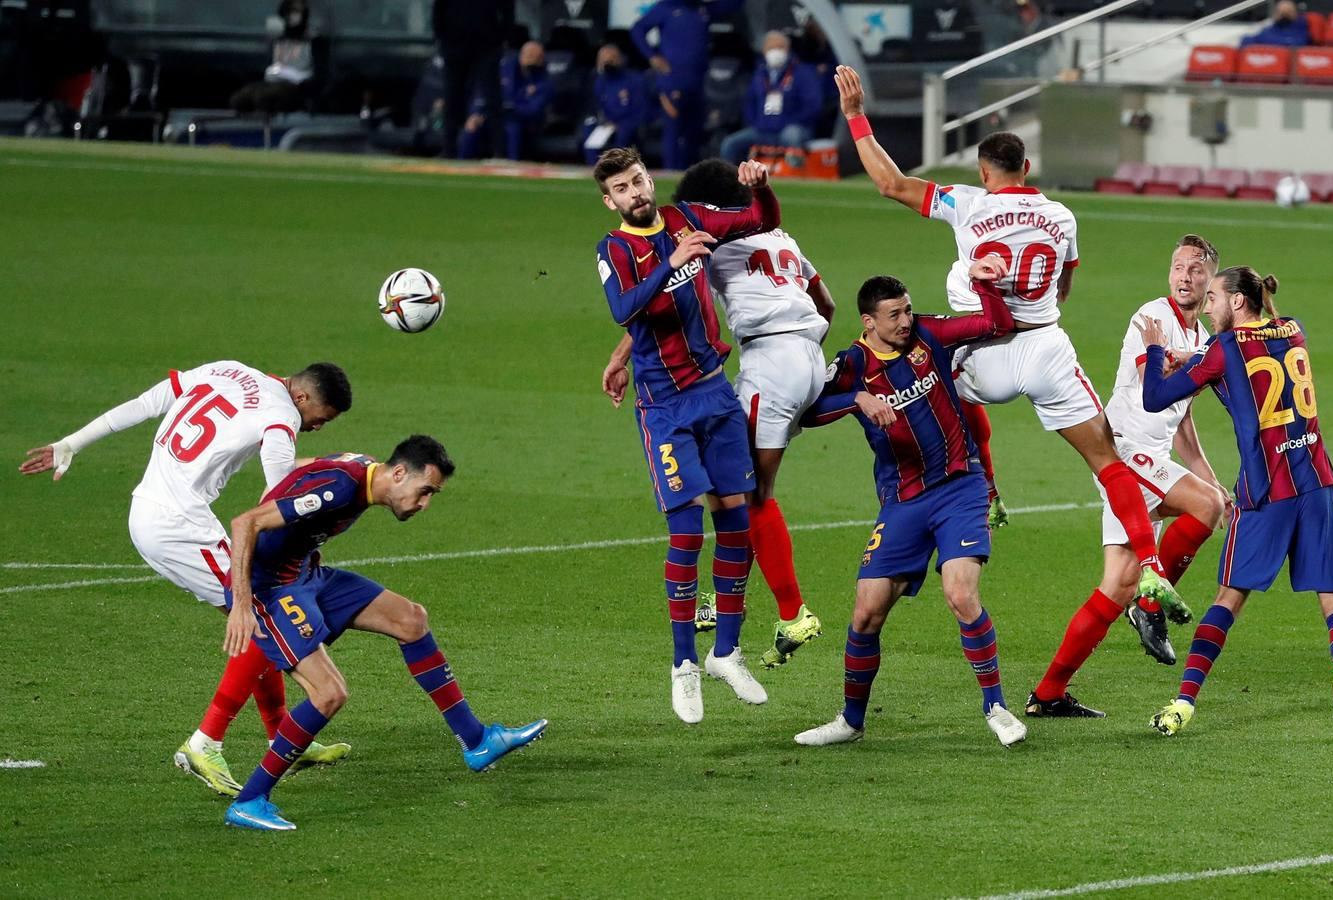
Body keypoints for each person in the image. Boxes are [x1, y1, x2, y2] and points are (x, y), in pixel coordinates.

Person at [831, 65, 1190, 623]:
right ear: (1028, 168)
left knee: (943, 386)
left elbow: (891, 183)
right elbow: (1066, 282)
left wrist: (856, 117)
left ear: (984, 171)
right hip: (1044, 347)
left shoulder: (968, 203)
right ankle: (1150, 567)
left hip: (983, 350)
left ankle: (988, 491)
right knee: (1106, 461)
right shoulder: (1061, 215)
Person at [18, 361, 354, 797]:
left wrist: (71, 442)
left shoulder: (228, 370)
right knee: (265, 616)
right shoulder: (282, 416)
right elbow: (278, 496)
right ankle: (205, 743)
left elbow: (144, 404)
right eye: (320, 419)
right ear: (304, 399)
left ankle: (283, 739)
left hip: (151, 510)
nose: (316, 426)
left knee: (261, 621)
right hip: (180, 527)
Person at [221, 438, 548, 830]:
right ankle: (250, 799)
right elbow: (246, 522)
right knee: (329, 693)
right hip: (269, 590)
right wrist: (241, 604)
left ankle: (477, 741)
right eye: (425, 491)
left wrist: (281, 494)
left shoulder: (359, 466)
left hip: (306, 574)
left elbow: (294, 465)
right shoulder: (340, 488)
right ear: (397, 474)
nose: (425, 503)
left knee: (411, 620)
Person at [602, 158, 835, 669]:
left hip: (769, 363)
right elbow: (827, 303)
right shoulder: (784, 240)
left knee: (746, 497)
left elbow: (669, 297)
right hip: (811, 353)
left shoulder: (709, 238)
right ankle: (729, 599)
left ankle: (791, 611)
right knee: (739, 491)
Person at [793, 274, 1029, 749]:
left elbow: (998, 322)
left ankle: (997, 707)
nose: (905, 320)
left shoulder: (927, 334)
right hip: (903, 500)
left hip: (961, 485)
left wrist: (985, 285)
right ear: (868, 322)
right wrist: (856, 398)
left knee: (961, 594)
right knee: (866, 612)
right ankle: (851, 721)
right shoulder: (853, 364)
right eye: (894, 315)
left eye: (907, 310)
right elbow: (807, 410)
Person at [1141, 268, 1333, 744]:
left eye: (1213, 299)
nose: (1206, 307)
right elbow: (1251, 354)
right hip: (1316, 482)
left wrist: (1156, 351)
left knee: (1229, 598)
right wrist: (1198, 357)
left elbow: (1155, 397)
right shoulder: (1294, 328)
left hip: (1266, 493)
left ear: (1238, 303)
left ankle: (1183, 705)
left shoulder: (1223, 351)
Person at [592, 146, 779, 724]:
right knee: (686, 531)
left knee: (736, 520)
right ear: (611, 200)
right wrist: (670, 264)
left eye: (641, 180)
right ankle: (683, 664)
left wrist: (761, 187)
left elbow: (761, 221)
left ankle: (726, 651)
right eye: (624, 188)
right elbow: (625, 307)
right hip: (665, 407)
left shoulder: (688, 219)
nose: (637, 192)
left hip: (715, 394)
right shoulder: (615, 249)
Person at [1025, 235, 1230, 719]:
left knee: (1117, 581)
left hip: (1153, 458)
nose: (1184, 276)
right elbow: (1155, 385)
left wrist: (1209, 474)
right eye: (1178, 267)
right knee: (1206, 507)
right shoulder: (1152, 318)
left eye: (1195, 270)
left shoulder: (1200, 340)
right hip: (1124, 452)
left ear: (1209, 281)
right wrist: (1208, 491)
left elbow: (1179, 418)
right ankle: (1150, 607)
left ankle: (1049, 693)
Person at [630, 0, 745, 170]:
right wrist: (652, 56)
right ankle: (670, 173)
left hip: (698, 82)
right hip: (672, 80)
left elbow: (734, 4)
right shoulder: (666, 7)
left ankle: (689, 173)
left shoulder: (703, 8)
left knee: (694, 130)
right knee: (673, 130)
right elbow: (637, 29)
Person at [718, 31, 822, 168]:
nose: (776, 52)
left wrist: (790, 121)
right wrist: (756, 122)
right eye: (771, 48)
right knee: (730, 143)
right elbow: (749, 101)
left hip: (792, 127)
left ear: (788, 49)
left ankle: (797, 176)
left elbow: (813, 105)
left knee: (792, 136)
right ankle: (728, 180)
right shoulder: (760, 74)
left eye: (780, 47)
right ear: (764, 51)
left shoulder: (803, 73)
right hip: (763, 129)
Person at [433, 0, 511, 159]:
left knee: (492, 99)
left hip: (486, 47)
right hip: (454, 47)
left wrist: (499, 39)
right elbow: (438, 10)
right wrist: (443, 39)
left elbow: (508, 11)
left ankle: (500, 152)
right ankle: (448, 149)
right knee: (452, 98)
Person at [230, 0, 321, 115]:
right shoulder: (278, 40)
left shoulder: (313, 41)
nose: (291, 16)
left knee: (265, 98)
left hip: (295, 86)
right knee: (239, 99)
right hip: (273, 82)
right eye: (288, 12)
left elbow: (318, 74)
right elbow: (271, 66)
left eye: (296, 12)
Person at [583, 44, 649, 165]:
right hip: (606, 122)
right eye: (604, 59)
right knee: (589, 130)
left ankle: (616, 171)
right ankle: (594, 169)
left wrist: (619, 122)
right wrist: (605, 120)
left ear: (621, 59)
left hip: (627, 121)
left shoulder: (634, 80)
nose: (608, 62)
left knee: (623, 136)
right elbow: (596, 106)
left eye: (612, 58)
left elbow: (640, 108)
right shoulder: (598, 81)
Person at [491, 40, 553, 161]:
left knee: (513, 127)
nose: (529, 60)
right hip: (502, 115)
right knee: (474, 126)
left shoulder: (545, 81)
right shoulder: (508, 72)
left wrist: (513, 107)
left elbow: (534, 110)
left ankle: (512, 164)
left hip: (527, 121)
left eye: (534, 57)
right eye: (527, 55)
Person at [1239, 0, 1310, 47]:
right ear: (1275, 13)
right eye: (1281, 12)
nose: (1284, 15)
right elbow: (1247, 40)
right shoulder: (1271, 28)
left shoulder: (1301, 27)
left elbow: (1299, 42)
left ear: (1295, 13)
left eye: (1288, 12)